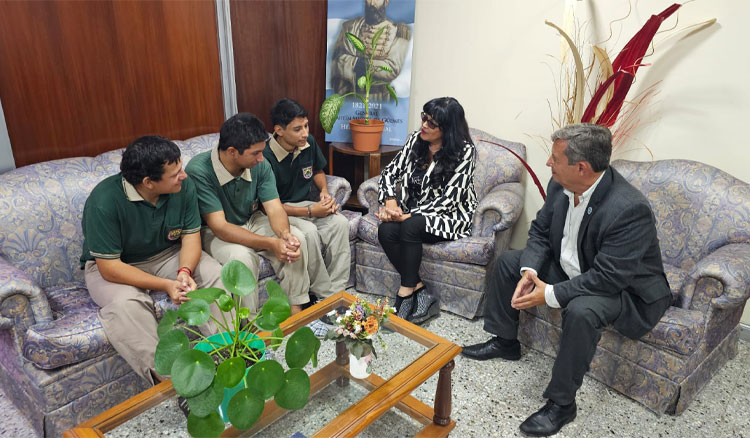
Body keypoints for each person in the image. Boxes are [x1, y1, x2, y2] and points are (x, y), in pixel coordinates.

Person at [461, 123, 672, 437]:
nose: (548, 163)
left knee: (582, 311)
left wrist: (548, 293)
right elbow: (541, 232)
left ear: (582, 168)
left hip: (624, 289)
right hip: (576, 267)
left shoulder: (629, 209)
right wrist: (530, 272)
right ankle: (505, 341)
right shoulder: (560, 184)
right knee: (509, 263)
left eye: (555, 158)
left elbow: (607, 277)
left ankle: (562, 404)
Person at [81, 135, 225, 386]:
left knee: (213, 271)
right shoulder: (103, 201)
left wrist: (184, 272)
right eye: (175, 173)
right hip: (116, 266)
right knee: (126, 305)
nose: (184, 175)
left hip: (167, 254)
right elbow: (110, 268)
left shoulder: (183, 186)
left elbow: (191, 237)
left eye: (181, 167)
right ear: (148, 182)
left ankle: (228, 354)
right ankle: (175, 384)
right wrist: (166, 285)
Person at [185, 112, 316, 317]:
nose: (261, 158)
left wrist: (284, 235)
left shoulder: (259, 164)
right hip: (213, 230)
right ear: (232, 152)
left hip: (251, 219)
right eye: (255, 153)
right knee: (241, 257)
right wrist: (272, 244)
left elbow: (274, 208)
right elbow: (220, 226)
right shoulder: (199, 170)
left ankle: (296, 312)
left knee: (295, 239)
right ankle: (252, 328)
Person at [377, 97, 477, 325]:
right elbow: (389, 173)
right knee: (386, 231)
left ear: (447, 129)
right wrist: (390, 202)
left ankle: (405, 293)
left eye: (432, 123)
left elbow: (449, 199)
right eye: (424, 118)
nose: (424, 125)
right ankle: (420, 290)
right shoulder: (416, 140)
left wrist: (406, 216)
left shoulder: (465, 152)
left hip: (450, 216)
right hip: (414, 212)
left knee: (409, 226)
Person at [263, 98, 351, 300]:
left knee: (340, 223)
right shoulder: (265, 157)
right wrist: (312, 212)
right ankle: (323, 295)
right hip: (280, 211)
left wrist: (324, 191)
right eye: (297, 129)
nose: (305, 133)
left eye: (306, 126)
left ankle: (338, 292)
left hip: (306, 204)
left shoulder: (308, 142)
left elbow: (318, 170)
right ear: (279, 130)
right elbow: (271, 207)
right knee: (309, 232)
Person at [331, 0, 411, 100]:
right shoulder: (349, 27)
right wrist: (356, 63)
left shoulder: (398, 32)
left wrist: (365, 65)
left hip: (380, 98)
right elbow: (336, 61)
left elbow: (392, 69)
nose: (372, 3)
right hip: (351, 95)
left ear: (386, 2)